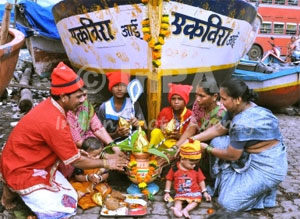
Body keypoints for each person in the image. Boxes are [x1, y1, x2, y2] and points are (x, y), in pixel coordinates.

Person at [0, 62, 128, 218]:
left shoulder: (55, 108)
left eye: (84, 95)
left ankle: (16, 191)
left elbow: (92, 133)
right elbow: (76, 161)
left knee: (71, 198)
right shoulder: (54, 119)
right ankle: (13, 189)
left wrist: (90, 153)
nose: (83, 100)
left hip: (34, 161)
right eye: (78, 96)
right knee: (62, 210)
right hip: (23, 168)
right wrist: (107, 163)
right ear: (63, 97)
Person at [197, 78, 287, 211]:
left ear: (238, 99)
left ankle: (264, 192)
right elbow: (219, 128)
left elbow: (233, 155)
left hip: (268, 166)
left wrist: (207, 148)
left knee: (227, 203)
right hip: (249, 153)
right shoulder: (239, 108)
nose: (220, 103)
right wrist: (194, 139)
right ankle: (238, 184)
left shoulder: (243, 123)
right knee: (217, 141)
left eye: (223, 99)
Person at [163, 140, 211, 218]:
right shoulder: (175, 168)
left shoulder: (196, 169)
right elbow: (169, 179)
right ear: (182, 159)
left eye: (195, 163)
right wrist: (167, 192)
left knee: (196, 201)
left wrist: (204, 192)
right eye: (191, 164)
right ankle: (177, 210)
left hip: (194, 192)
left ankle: (186, 210)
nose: (194, 166)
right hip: (180, 193)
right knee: (178, 201)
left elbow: (201, 180)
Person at [98, 71, 145, 141]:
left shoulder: (133, 104)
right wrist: (116, 134)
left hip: (132, 143)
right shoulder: (104, 107)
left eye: (123, 85)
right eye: (116, 85)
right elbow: (100, 135)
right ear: (111, 87)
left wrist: (138, 123)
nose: (120, 89)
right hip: (112, 145)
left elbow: (145, 127)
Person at [149, 83, 193, 153]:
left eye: (180, 99)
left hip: (181, 143)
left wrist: (180, 136)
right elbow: (156, 128)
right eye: (173, 99)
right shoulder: (165, 111)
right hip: (166, 141)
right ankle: (153, 154)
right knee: (155, 132)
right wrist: (162, 128)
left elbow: (194, 136)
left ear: (185, 101)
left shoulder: (190, 115)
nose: (176, 102)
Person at [70, 137, 109, 210]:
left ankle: (98, 196)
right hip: (83, 183)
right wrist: (87, 177)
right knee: (75, 187)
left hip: (96, 184)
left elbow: (106, 174)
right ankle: (83, 197)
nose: (98, 158)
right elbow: (77, 176)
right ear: (85, 154)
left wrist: (100, 178)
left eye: (99, 155)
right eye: (95, 156)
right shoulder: (81, 163)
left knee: (104, 188)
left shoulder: (100, 162)